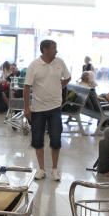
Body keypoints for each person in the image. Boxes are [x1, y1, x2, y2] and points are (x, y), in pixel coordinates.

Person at [24, 39, 71, 181]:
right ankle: (41, 169)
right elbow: (27, 87)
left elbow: (68, 77)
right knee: (38, 140)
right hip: (38, 108)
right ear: (45, 50)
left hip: (55, 107)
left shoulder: (60, 62)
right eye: (53, 48)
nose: (56, 50)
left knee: (56, 139)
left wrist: (59, 85)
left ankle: (55, 170)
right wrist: (27, 108)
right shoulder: (34, 65)